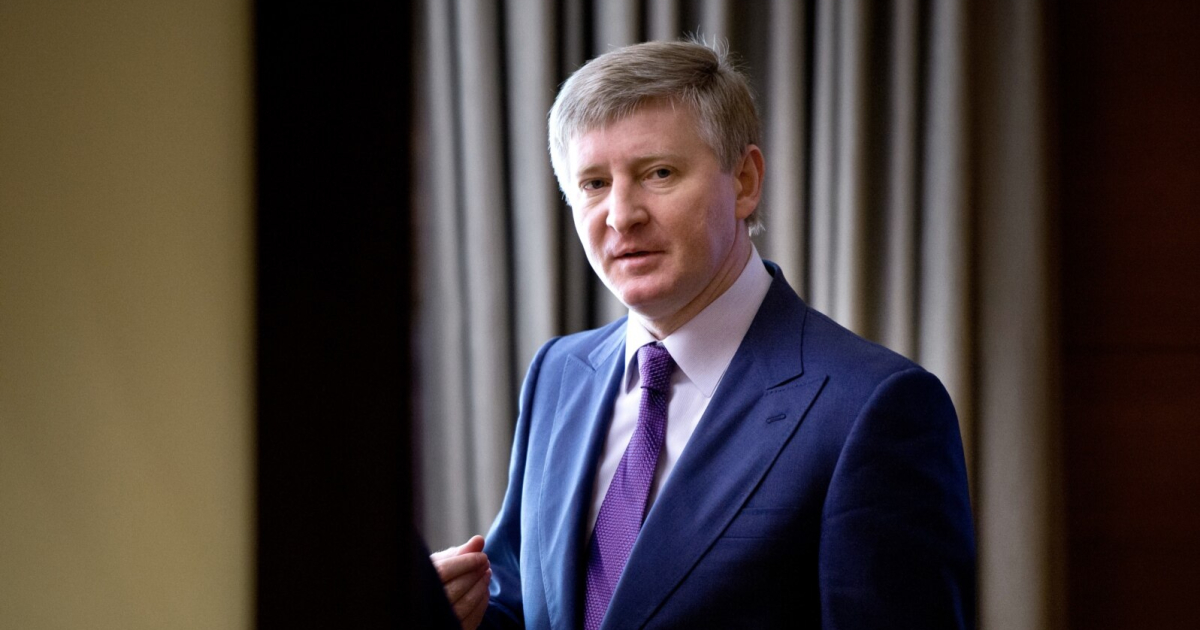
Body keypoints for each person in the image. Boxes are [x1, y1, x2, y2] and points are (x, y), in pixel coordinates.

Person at [433, 39, 975, 629]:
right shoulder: (558, 372)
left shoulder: (875, 407)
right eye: (593, 184)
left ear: (744, 180)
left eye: (658, 173)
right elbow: (522, 606)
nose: (621, 215)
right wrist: (457, 615)